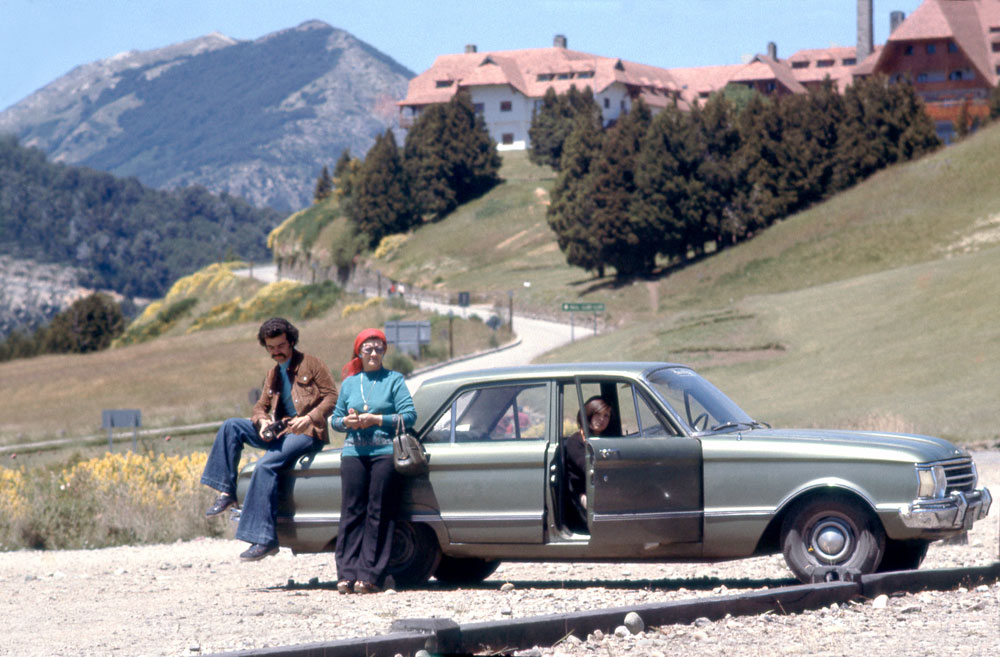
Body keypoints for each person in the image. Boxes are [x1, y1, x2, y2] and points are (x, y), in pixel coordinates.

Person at [200, 317, 338, 561]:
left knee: (264, 466)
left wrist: (309, 418)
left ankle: (265, 540)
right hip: (279, 431)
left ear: (291, 342)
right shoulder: (272, 374)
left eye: (281, 346)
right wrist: (262, 421)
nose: (276, 352)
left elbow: (332, 397)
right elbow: (259, 407)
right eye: (271, 348)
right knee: (231, 426)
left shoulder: (312, 364)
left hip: (306, 432)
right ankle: (227, 492)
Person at [330, 328, 417, 594]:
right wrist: (347, 422)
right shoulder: (349, 384)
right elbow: (335, 420)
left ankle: (370, 575)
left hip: (384, 453)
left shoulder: (394, 380)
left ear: (384, 352)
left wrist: (377, 420)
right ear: (359, 352)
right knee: (351, 511)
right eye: (368, 349)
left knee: (379, 512)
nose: (374, 353)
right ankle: (347, 573)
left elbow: (409, 416)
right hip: (354, 453)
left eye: (379, 348)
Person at [562, 395, 613, 530]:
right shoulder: (575, 441)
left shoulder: (608, 439)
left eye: (606, 416)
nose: (602, 419)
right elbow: (588, 468)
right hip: (582, 493)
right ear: (588, 414)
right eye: (597, 414)